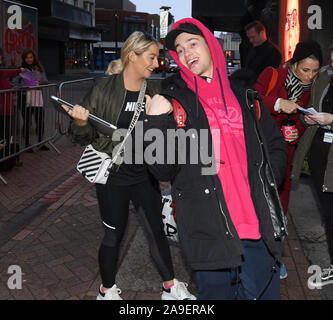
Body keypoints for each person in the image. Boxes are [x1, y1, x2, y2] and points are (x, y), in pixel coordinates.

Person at [143, 18, 288, 300]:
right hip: (209, 231)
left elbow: (274, 144)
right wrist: (155, 122)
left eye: (192, 44)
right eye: (180, 50)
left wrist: (269, 179)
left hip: (257, 226)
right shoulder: (175, 102)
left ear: (211, 45)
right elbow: (162, 169)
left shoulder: (245, 95)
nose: (186, 53)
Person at [62, 31, 195, 301]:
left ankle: (170, 286)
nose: (156, 63)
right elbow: (82, 137)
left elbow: (162, 137)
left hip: (144, 175)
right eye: (151, 57)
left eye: (158, 57)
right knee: (114, 234)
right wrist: (79, 122)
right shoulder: (104, 89)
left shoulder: (155, 91)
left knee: (156, 230)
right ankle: (106, 290)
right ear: (132, 55)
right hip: (113, 176)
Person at [254, 40, 322, 279]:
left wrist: (297, 132)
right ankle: (252, 256)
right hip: (259, 153)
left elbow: (304, 124)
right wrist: (276, 103)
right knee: (256, 206)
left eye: (315, 71)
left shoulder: (312, 91)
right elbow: (250, 100)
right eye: (305, 69)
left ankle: (273, 258)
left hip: (285, 159)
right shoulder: (272, 75)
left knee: (279, 211)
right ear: (294, 64)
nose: (309, 76)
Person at [292, 44, 333, 286]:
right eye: (332, 53)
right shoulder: (324, 76)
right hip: (320, 154)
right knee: (328, 213)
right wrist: (308, 118)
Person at [19, 49, 49, 151]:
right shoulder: (21, 69)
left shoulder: (39, 68)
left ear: (34, 57)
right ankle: (27, 145)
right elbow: (15, 83)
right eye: (27, 57)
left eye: (31, 57)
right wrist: (24, 85)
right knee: (28, 121)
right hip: (26, 96)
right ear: (24, 59)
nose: (29, 59)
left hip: (37, 96)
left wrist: (39, 82)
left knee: (40, 120)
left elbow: (46, 80)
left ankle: (40, 143)